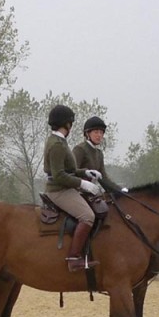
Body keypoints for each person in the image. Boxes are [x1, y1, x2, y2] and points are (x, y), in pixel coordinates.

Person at [42, 104, 103, 271]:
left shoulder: (60, 141)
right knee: (87, 216)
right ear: (67, 123)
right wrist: (83, 184)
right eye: (71, 122)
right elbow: (59, 175)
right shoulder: (56, 145)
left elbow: (69, 169)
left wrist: (86, 172)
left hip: (64, 187)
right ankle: (73, 257)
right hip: (58, 190)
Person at [72, 116, 128, 195]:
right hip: (77, 192)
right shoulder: (80, 149)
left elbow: (103, 178)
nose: (99, 135)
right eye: (96, 132)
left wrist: (119, 189)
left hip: (91, 192)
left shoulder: (99, 153)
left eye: (101, 132)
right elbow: (72, 171)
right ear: (88, 133)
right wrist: (85, 174)